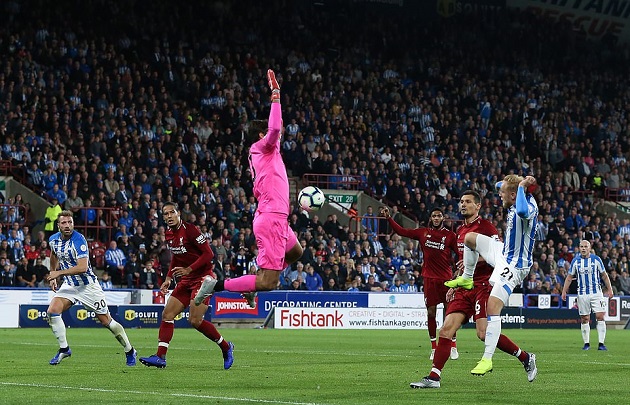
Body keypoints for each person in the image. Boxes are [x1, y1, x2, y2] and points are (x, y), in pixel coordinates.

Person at [194, 70, 303, 306]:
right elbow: (275, 129)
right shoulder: (263, 148)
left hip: (276, 217)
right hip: (272, 218)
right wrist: (276, 95)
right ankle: (216, 285)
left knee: (295, 252)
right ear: (262, 135)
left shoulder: (265, 154)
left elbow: (277, 125)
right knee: (268, 284)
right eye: (272, 133)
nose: (279, 134)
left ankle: (258, 276)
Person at [411, 191, 537, 389]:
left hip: (483, 286)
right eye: (461, 201)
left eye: (468, 202)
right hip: (465, 287)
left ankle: (525, 357)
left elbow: (499, 255)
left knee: (483, 333)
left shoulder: (487, 228)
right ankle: (434, 377)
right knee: (446, 329)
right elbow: (463, 263)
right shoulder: (460, 230)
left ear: (478, 206)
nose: (463, 205)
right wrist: (457, 281)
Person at [446, 175, 539, 376]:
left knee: (493, 307)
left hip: (515, 266)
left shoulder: (527, 208)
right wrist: (514, 181)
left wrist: (522, 185)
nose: (499, 195)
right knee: (470, 239)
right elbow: (504, 186)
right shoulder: (515, 197)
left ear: (514, 195)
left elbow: (521, 209)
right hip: (504, 252)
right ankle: (467, 277)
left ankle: (487, 359)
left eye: (502, 193)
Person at [139, 202, 234, 369]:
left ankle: (226, 347)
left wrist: (188, 269)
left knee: (195, 320)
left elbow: (209, 254)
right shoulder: (169, 233)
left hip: (203, 280)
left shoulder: (190, 230)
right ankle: (160, 357)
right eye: (165, 214)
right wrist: (168, 277)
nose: (168, 216)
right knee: (167, 314)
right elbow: (176, 256)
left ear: (178, 213)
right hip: (186, 280)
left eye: (171, 213)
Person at [44, 210, 137, 366]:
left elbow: (82, 267)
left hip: (88, 286)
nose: (67, 226)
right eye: (64, 223)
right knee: (52, 311)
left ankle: (130, 350)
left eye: (70, 222)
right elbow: (54, 254)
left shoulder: (79, 240)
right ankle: (64, 349)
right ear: (58, 225)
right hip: (70, 284)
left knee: (107, 321)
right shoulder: (53, 239)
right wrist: (54, 275)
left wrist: (57, 272)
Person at [381, 206, 459, 360]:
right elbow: (402, 232)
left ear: (443, 218)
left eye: (439, 216)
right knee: (431, 312)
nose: (436, 218)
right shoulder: (423, 233)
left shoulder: (450, 236)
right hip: (429, 279)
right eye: (434, 216)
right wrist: (389, 218)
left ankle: (453, 346)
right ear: (431, 218)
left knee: (449, 313)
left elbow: (460, 253)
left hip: (446, 279)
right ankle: (434, 348)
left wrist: (459, 268)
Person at [561, 240, 613, 351]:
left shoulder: (596, 260)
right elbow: (569, 277)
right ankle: (586, 343)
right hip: (582, 294)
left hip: (596, 293)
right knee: (585, 318)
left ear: (590, 248)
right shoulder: (575, 261)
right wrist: (564, 291)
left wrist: (610, 289)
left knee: (600, 316)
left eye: (585, 246)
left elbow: (604, 275)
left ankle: (601, 343)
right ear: (579, 248)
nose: (583, 248)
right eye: (581, 246)